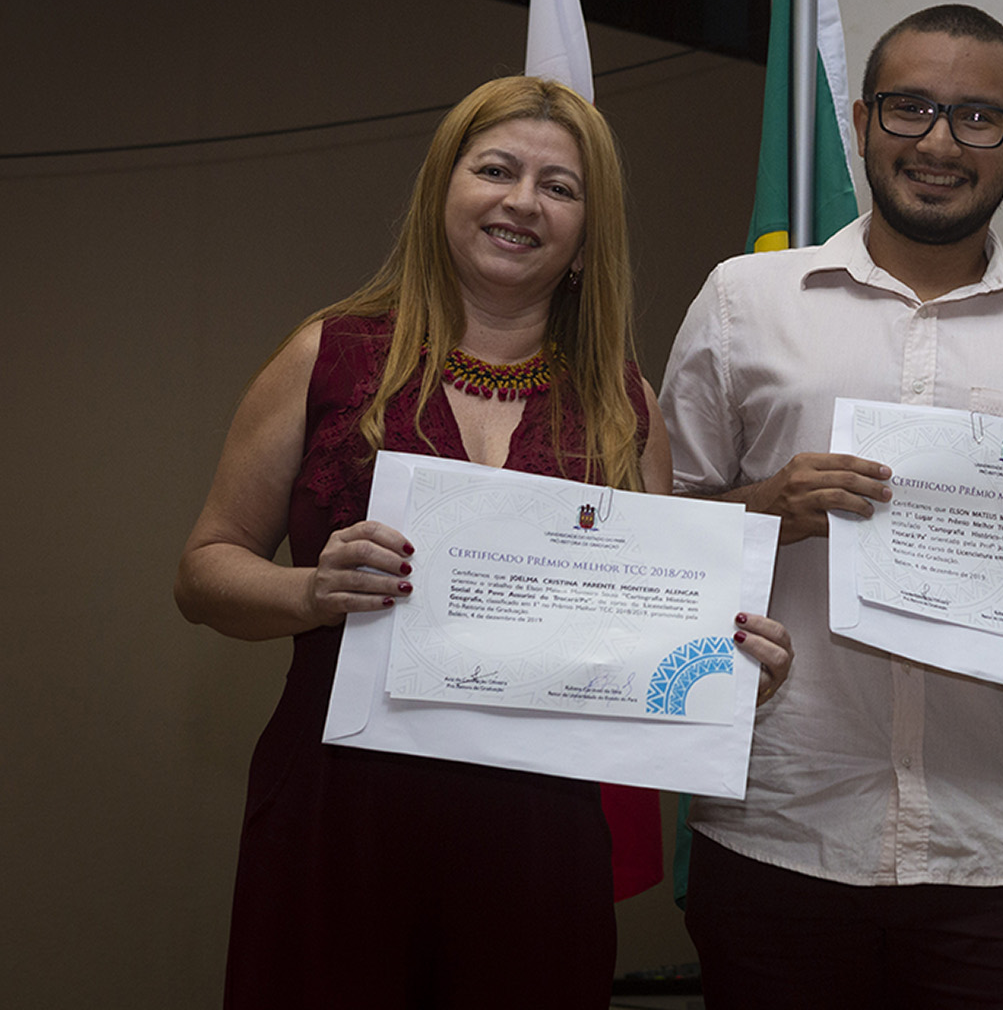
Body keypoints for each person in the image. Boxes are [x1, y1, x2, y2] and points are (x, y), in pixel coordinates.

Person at [176, 76, 792, 1010]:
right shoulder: (327, 356)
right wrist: (309, 593)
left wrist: (731, 669)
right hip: (337, 816)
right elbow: (203, 569)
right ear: (443, 189)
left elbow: (642, 644)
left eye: (559, 186)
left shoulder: (624, 407)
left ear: (587, 230)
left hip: (537, 842)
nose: (522, 202)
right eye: (496, 170)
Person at [661, 5, 1003, 1010]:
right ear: (863, 121)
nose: (940, 142)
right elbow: (665, 544)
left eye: (978, 117)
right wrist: (769, 504)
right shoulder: (744, 301)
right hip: (780, 829)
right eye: (909, 107)